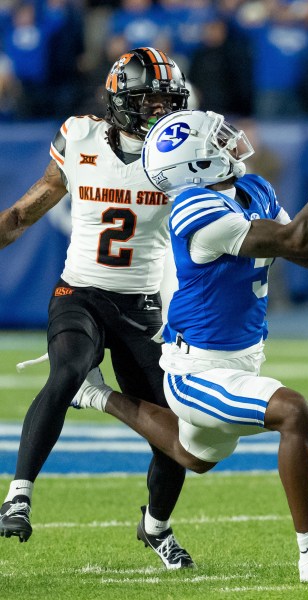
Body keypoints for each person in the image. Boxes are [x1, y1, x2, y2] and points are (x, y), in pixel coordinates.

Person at [71, 102, 308, 582]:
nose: (229, 140)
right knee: (294, 411)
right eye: (216, 140)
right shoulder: (195, 211)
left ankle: (94, 393)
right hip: (197, 369)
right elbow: (302, 240)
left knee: (193, 456)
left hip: (241, 361)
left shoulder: (253, 188)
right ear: (195, 165)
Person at [0, 47, 196, 570]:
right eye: (149, 101)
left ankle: (155, 526)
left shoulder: (182, 153)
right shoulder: (80, 136)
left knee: (177, 435)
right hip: (80, 291)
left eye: (167, 101)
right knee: (67, 370)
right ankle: (18, 493)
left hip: (143, 303)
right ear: (120, 102)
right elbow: (25, 210)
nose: (161, 111)